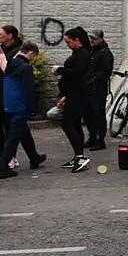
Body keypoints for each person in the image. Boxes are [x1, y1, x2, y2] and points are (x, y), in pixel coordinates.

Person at [0, 41, 46, 178]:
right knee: (13, 137)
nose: (32, 59)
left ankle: (34, 157)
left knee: (21, 132)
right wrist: (32, 109)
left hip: (10, 103)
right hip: (21, 105)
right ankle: (2, 166)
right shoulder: (25, 67)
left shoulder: (11, 64)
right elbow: (29, 89)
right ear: (30, 53)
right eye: (33, 56)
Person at [53, 27, 92, 173]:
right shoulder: (77, 53)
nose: (67, 45)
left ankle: (80, 156)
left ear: (77, 40)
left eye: (69, 42)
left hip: (78, 95)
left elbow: (79, 73)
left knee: (67, 123)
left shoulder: (83, 54)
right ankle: (78, 155)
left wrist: (60, 70)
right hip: (73, 93)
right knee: (74, 124)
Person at [83, 28, 113, 151]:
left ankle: (100, 139)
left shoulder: (105, 53)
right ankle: (92, 137)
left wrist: (93, 79)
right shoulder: (92, 51)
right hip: (89, 87)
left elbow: (106, 72)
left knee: (98, 113)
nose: (91, 40)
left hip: (98, 88)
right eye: (91, 38)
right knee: (88, 113)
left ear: (101, 38)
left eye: (94, 38)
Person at [0, 25, 24, 145]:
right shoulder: (4, 48)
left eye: (1, 35)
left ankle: (9, 155)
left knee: (11, 124)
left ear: (10, 36)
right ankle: (33, 156)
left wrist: (2, 56)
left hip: (9, 90)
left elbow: (9, 69)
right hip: (4, 89)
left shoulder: (17, 51)